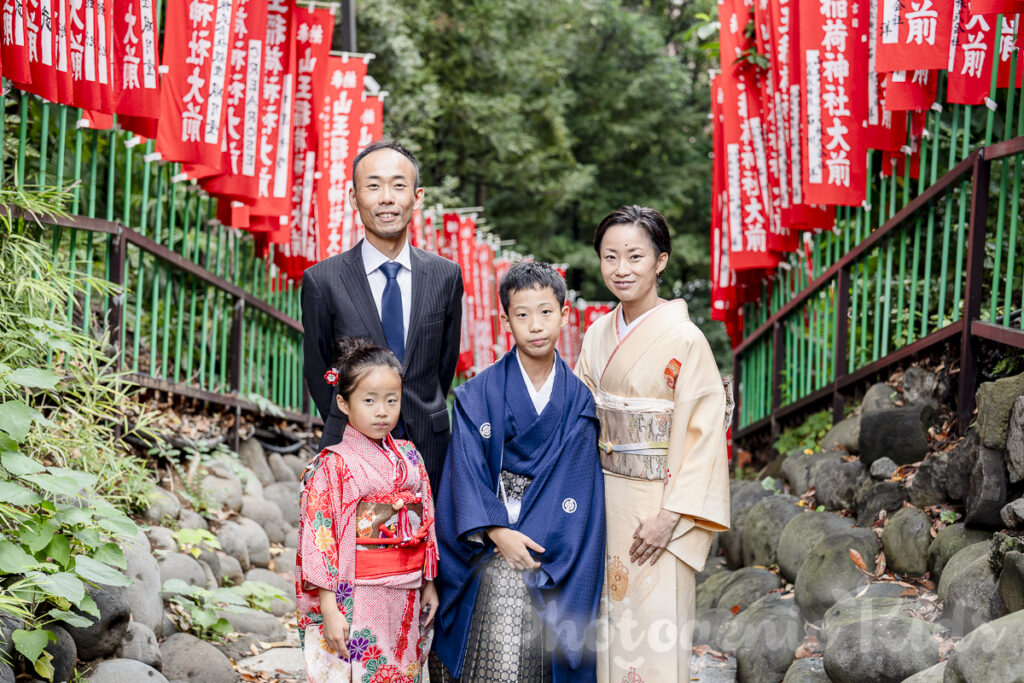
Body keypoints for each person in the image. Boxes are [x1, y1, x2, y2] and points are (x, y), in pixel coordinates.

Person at [574, 205, 731, 683]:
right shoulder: (598, 333)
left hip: (660, 508)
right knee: (609, 629)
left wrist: (671, 517)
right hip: (603, 500)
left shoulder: (686, 339)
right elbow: (578, 417)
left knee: (657, 633)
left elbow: (704, 438)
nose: (621, 269)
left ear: (660, 261)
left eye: (635, 256)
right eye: (610, 256)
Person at [432, 262, 605, 683]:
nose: (536, 325)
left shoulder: (579, 402)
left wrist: (531, 546)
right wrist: (495, 531)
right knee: (497, 586)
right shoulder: (479, 393)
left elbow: (577, 491)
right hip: (486, 536)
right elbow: (466, 473)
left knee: (528, 588)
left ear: (565, 315)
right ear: (505, 320)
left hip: (553, 541)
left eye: (546, 312)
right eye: (522, 315)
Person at [302, 140, 464, 491]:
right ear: (353, 197)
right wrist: (354, 413)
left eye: (398, 185)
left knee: (425, 545)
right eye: (373, 186)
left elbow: (443, 365)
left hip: (428, 448)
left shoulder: (445, 276)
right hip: (349, 448)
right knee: (355, 546)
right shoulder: (323, 280)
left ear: (417, 197)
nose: (387, 197)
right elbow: (319, 372)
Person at [296, 337, 440, 683]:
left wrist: (429, 582)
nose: (382, 411)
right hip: (359, 591)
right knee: (364, 671)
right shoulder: (332, 465)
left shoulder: (410, 456)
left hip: (407, 588)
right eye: (369, 400)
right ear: (343, 404)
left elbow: (427, 519)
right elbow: (320, 539)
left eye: (392, 400)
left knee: (403, 669)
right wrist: (329, 608)